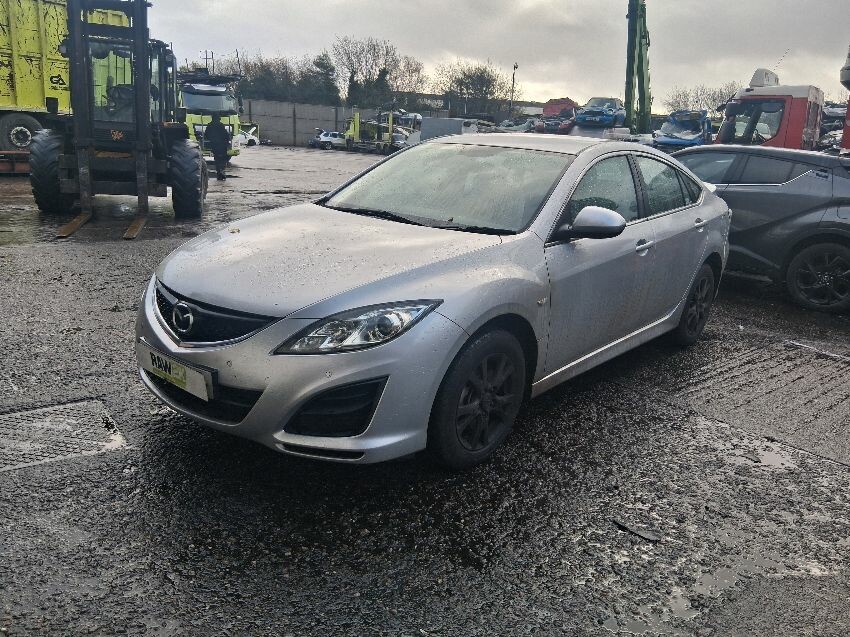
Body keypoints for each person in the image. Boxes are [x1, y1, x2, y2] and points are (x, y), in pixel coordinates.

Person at [204, 114, 231, 180]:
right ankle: (221, 172)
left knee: (217, 159)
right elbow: (226, 135)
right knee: (222, 160)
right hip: (222, 145)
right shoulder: (220, 125)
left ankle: (219, 173)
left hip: (214, 145)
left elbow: (206, 135)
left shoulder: (209, 125)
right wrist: (228, 141)